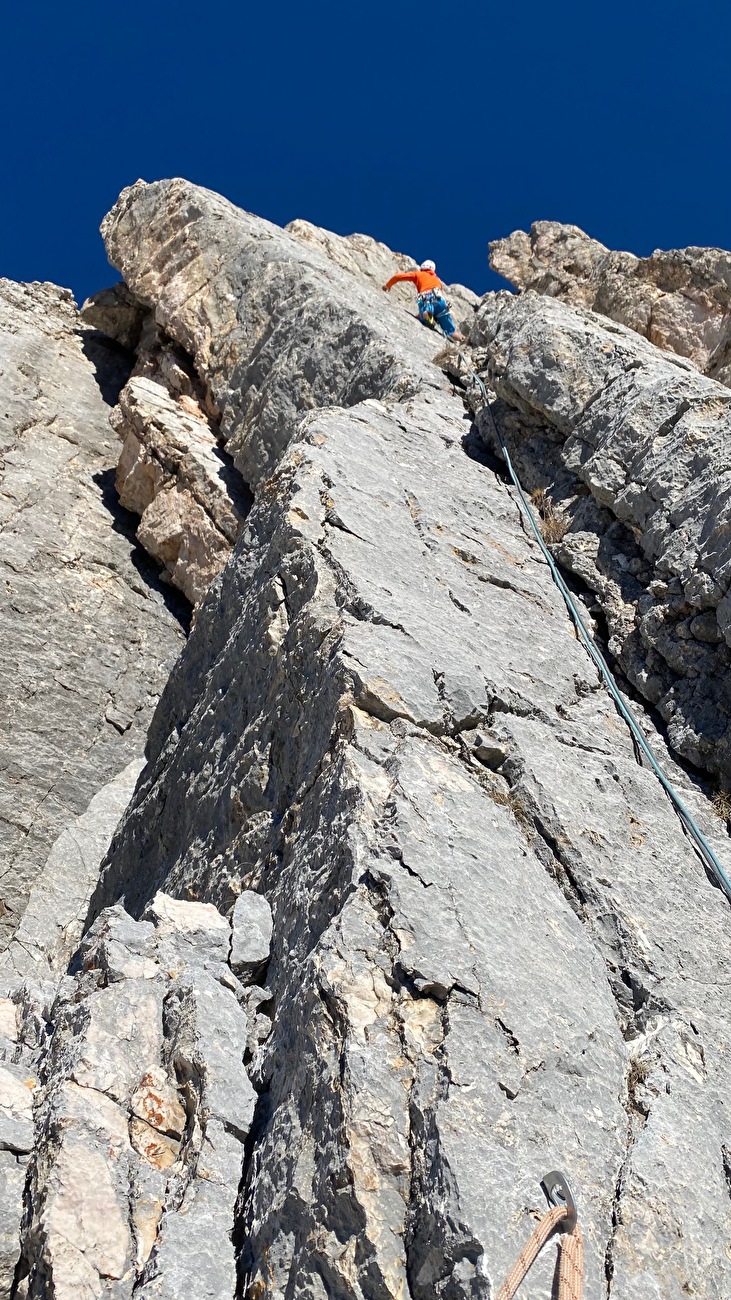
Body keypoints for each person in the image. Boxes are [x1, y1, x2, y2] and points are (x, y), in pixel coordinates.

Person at [383, 260, 464, 342]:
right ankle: (463, 340)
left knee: (425, 313)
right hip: (441, 303)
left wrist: (387, 285)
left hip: (428, 298)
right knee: (450, 331)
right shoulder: (436, 280)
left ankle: (429, 318)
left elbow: (398, 277)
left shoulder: (418, 274)